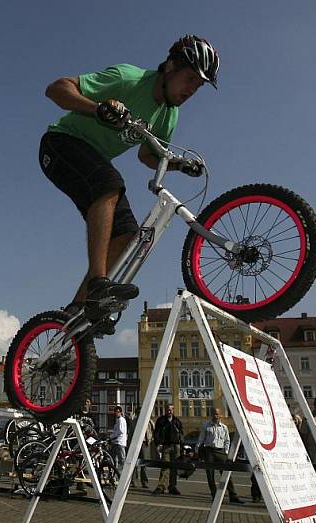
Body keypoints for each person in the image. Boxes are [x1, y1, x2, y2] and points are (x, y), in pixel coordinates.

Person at [41, 35, 218, 330]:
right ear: (171, 66)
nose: (190, 90)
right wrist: (97, 108)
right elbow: (56, 89)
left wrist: (179, 165)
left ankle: (77, 310)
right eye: (189, 79)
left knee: (128, 237)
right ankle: (99, 283)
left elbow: (148, 156)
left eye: (197, 87)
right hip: (60, 144)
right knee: (109, 183)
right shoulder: (128, 78)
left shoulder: (169, 116)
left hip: (94, 159)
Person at [196, 409, 243, 504]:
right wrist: (197, 449)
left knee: (226, 473)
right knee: (210, 474)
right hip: (209, 451)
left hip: (220, 452)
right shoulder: (206, 425)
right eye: (214, 414)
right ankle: (214, 495)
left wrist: (225, 452)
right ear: (211, 415)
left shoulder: (224, 427)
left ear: (220, 415)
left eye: (217, 414)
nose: (215, 416)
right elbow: (201, 438)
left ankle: (233, 495)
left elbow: (227, 441)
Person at [153, 404, 184, 495]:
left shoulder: (177, 421)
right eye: (167, 410)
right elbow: (157, 433)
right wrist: (158, 444)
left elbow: (181, 434)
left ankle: (172, 486)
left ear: (173, 410)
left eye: (171, 410)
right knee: (165, 466)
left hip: (176, 446)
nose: (169, 411)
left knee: (174, 467)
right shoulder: (161, 420)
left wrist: (182, 446)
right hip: (166, 446)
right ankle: (161, 487)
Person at [108, 406, 127, 476]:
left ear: (121, 412)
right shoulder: (117, 420)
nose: (116, 413)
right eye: (115, 412)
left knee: (121, 460)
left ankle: (122, 475)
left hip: (119, 442)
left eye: (118, 412)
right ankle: (115, 475)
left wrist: (111, 437)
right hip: (116, 442)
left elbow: (120, 431)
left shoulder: (121, 420)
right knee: (114, 459)